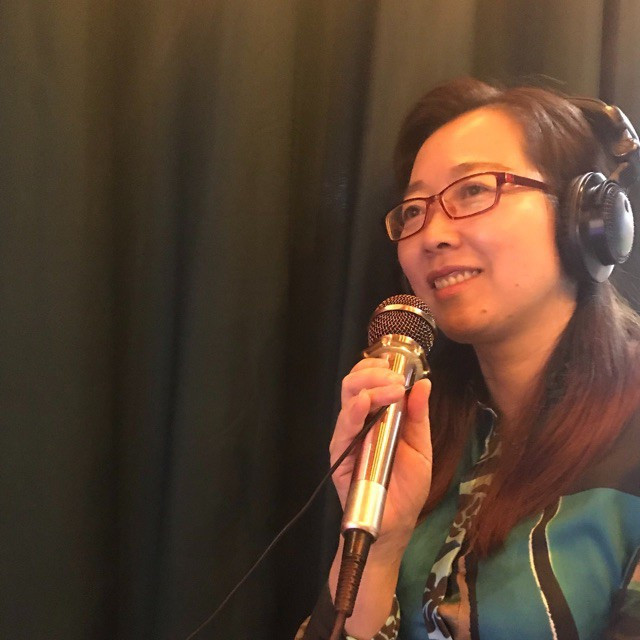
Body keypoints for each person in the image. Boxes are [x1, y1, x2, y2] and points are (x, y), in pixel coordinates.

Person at [296, 77, 640, 640]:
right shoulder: (418, 429)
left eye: (475, 190)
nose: (431, 234)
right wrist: (379, 546)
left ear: (584, 219)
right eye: (413, 210)